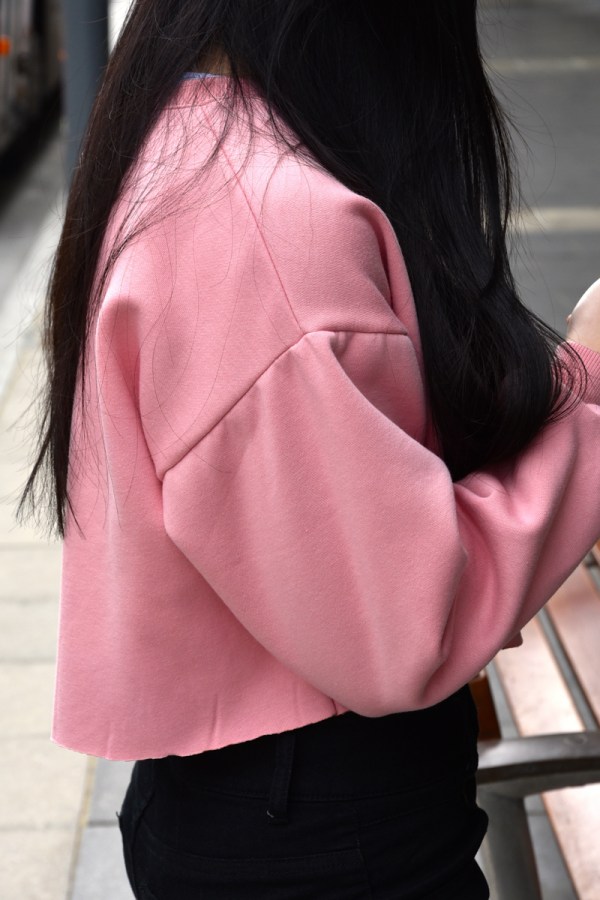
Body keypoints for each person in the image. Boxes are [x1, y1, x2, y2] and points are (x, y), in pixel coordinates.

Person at [18, 1, 600, 898]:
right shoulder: (262, 225)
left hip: (248, 793)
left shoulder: (186, 137)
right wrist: (589, 383)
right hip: (321, 822)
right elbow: (404, 622)